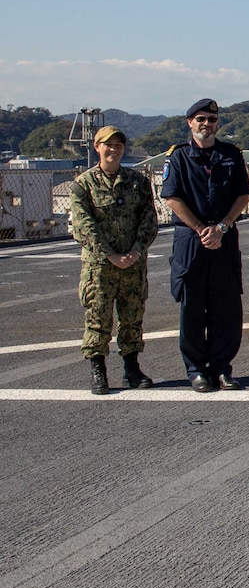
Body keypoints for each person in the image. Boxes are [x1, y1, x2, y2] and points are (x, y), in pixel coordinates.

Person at [160, 98, 249, 393]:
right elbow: (173, 198)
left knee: (226, 307)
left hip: (224, 238)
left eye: (212, 120)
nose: (206, 125)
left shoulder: (230, 154)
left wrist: (222, 227)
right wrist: (202, 229)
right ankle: (197, 370)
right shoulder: (178, 157)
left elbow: (242, 195)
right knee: (192, 308)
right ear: (190, 122)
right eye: (201, 119)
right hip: (192, 240)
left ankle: (222, 368)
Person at [69, 125, 158, 394]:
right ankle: (98, 370)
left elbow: (149, 218)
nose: (114, 149)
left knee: (132, 317)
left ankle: (131, 369)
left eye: (118, 145)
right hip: (99, 266)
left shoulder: (137, 181)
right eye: (108, 145)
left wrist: (136, 251)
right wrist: (109, 254)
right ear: (97, 147)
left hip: (132, 262)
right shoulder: (83, 184)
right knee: (97, 318)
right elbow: (83, 225)